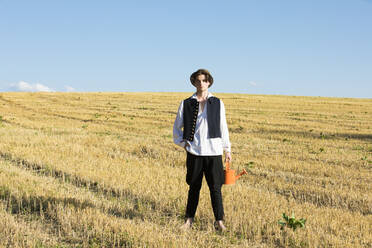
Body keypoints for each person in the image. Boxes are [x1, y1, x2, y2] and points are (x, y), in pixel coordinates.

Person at [173, 69, 232, 231]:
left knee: (216, 189)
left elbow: (223, 127)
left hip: (214, 152)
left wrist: (227, 149)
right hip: (195, 153)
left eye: (204, 81)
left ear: (209, 82)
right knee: (194, 187)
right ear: (194, 82)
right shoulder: (186, 103)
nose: (201, 84)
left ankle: (219, 222)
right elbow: (177, 127)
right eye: (198, 81)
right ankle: (188, 221)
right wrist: (183, 143)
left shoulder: (218, 102)